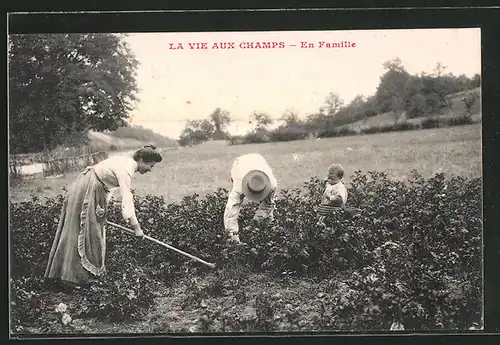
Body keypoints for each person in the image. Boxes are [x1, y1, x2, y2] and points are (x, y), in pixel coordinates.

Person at [44, 145, 163, 289]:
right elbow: (127, 201)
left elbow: (106, 186)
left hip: (91, 187)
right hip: (89, 189)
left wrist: (101, 210)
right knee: (88, 232)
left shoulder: (126, 163)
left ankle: (73, 276)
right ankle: (79, 278)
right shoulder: (127, 169)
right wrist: (137, 228)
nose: (150, 170)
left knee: (87, 230)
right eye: (150, 166)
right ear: (142, 160)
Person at [224, 153, 278, 244]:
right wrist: (234, 238)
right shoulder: (239, 186)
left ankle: (267, 234)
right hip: (240, 165)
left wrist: (255, 223)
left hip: (258, 159)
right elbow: (230, 213)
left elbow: (268, 206)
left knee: (268, 210)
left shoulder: (272, 185)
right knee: (233, 206)